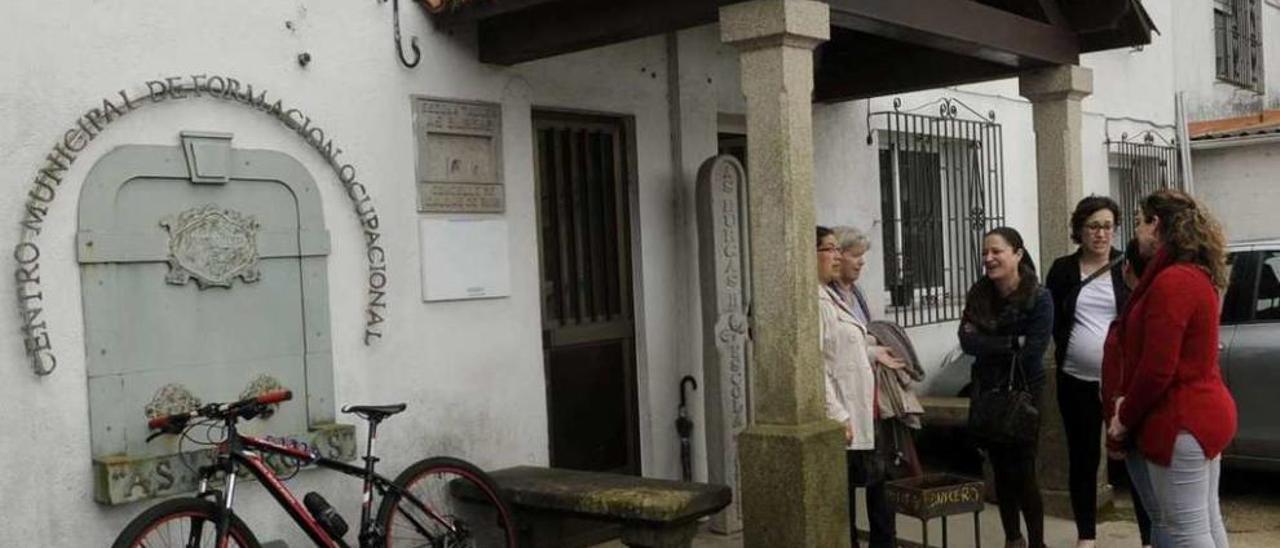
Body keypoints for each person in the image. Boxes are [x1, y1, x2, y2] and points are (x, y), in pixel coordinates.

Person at [1108, 189, 1236, 548]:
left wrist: (1124, 417)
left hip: (1182, 419)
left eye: (1138, 223)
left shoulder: (1173, 280)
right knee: (1205, 521)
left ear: (1156, 224)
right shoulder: (1196, 274)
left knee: (1185, 531)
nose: (1135, 234)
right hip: (1204, 412)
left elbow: (1158, 368)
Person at [1045, 196, 1146, 547]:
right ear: (1079, 230)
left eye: (1107, 226)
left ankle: (1147, 537)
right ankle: (1086, 535)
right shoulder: (1062, 269)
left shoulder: (1129, 265)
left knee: (1132, 457)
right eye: (1093, 226)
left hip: (1121, 384)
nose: (1100, 234)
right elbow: (1053, 318)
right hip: (1076, 379)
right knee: (1083, 458)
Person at [959, 226, 1053, 548]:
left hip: (1024, 393)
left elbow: (1033, 351)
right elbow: (967, 342)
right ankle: (1013, 539)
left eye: (996, 251)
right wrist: (1011, 340)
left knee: (1024, 470)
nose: (989, 258)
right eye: (985, 252)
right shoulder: (979, 294)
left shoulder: (1039, 297)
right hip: (988, 391)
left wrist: (991, 342)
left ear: (1017, 254)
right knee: (999, 471)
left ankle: (1037, 543)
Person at [816, 226, 892, 548]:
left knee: (877, 483)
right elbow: (816, 363)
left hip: (863, 404)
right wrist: (838, 413)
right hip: (842, 412)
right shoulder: (819, 300)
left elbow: (848, 346)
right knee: (845, 493)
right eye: (831, 249)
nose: (839, 256)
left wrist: (875, 352)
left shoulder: (840, 294)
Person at [830, 225, 924, 479]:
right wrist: (872, 348)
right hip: (846, 394)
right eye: (855, 255)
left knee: (881, 470)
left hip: (873, 391)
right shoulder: (828, 295)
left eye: (862, 256)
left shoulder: (856, 293)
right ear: (838, 255)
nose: (861, 262)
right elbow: (840, 344)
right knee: (851, 470)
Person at [1103, 240, 1159, 548]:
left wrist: (1116, 434)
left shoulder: (1132, 320)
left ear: (1127, 269)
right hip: (1180, 426)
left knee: (1161, 518)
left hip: (1142, 428)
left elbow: (1117, 382)